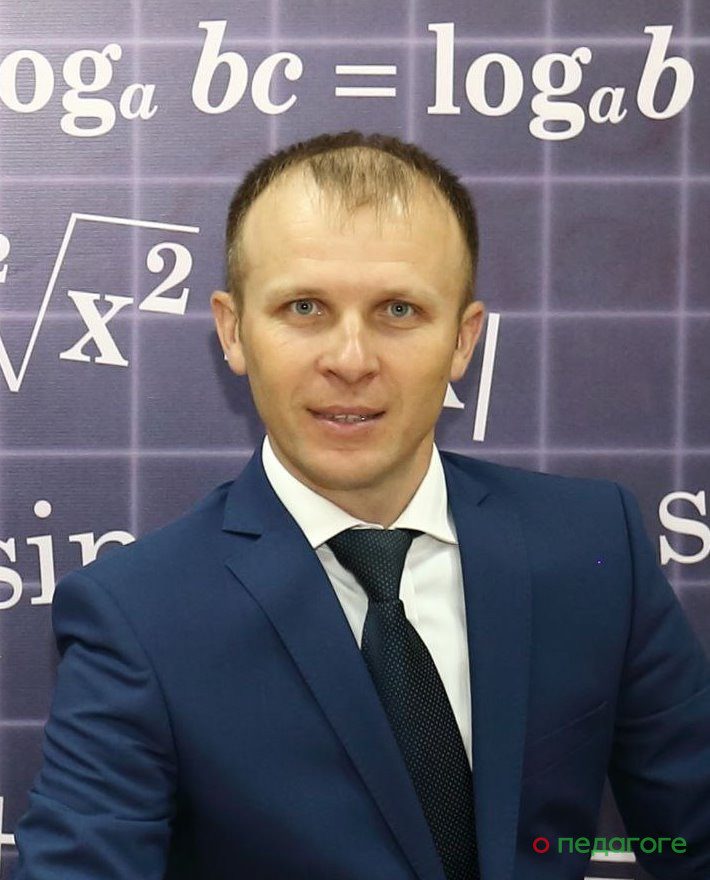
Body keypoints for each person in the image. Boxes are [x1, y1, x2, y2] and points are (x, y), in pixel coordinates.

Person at [12, 131, 710, 880]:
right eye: (305, 307)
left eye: (399, 310)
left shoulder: (593, 547)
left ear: (463, 339)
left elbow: (690, 836)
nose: (351, 360)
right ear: (233, 331)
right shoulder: (138, 617)